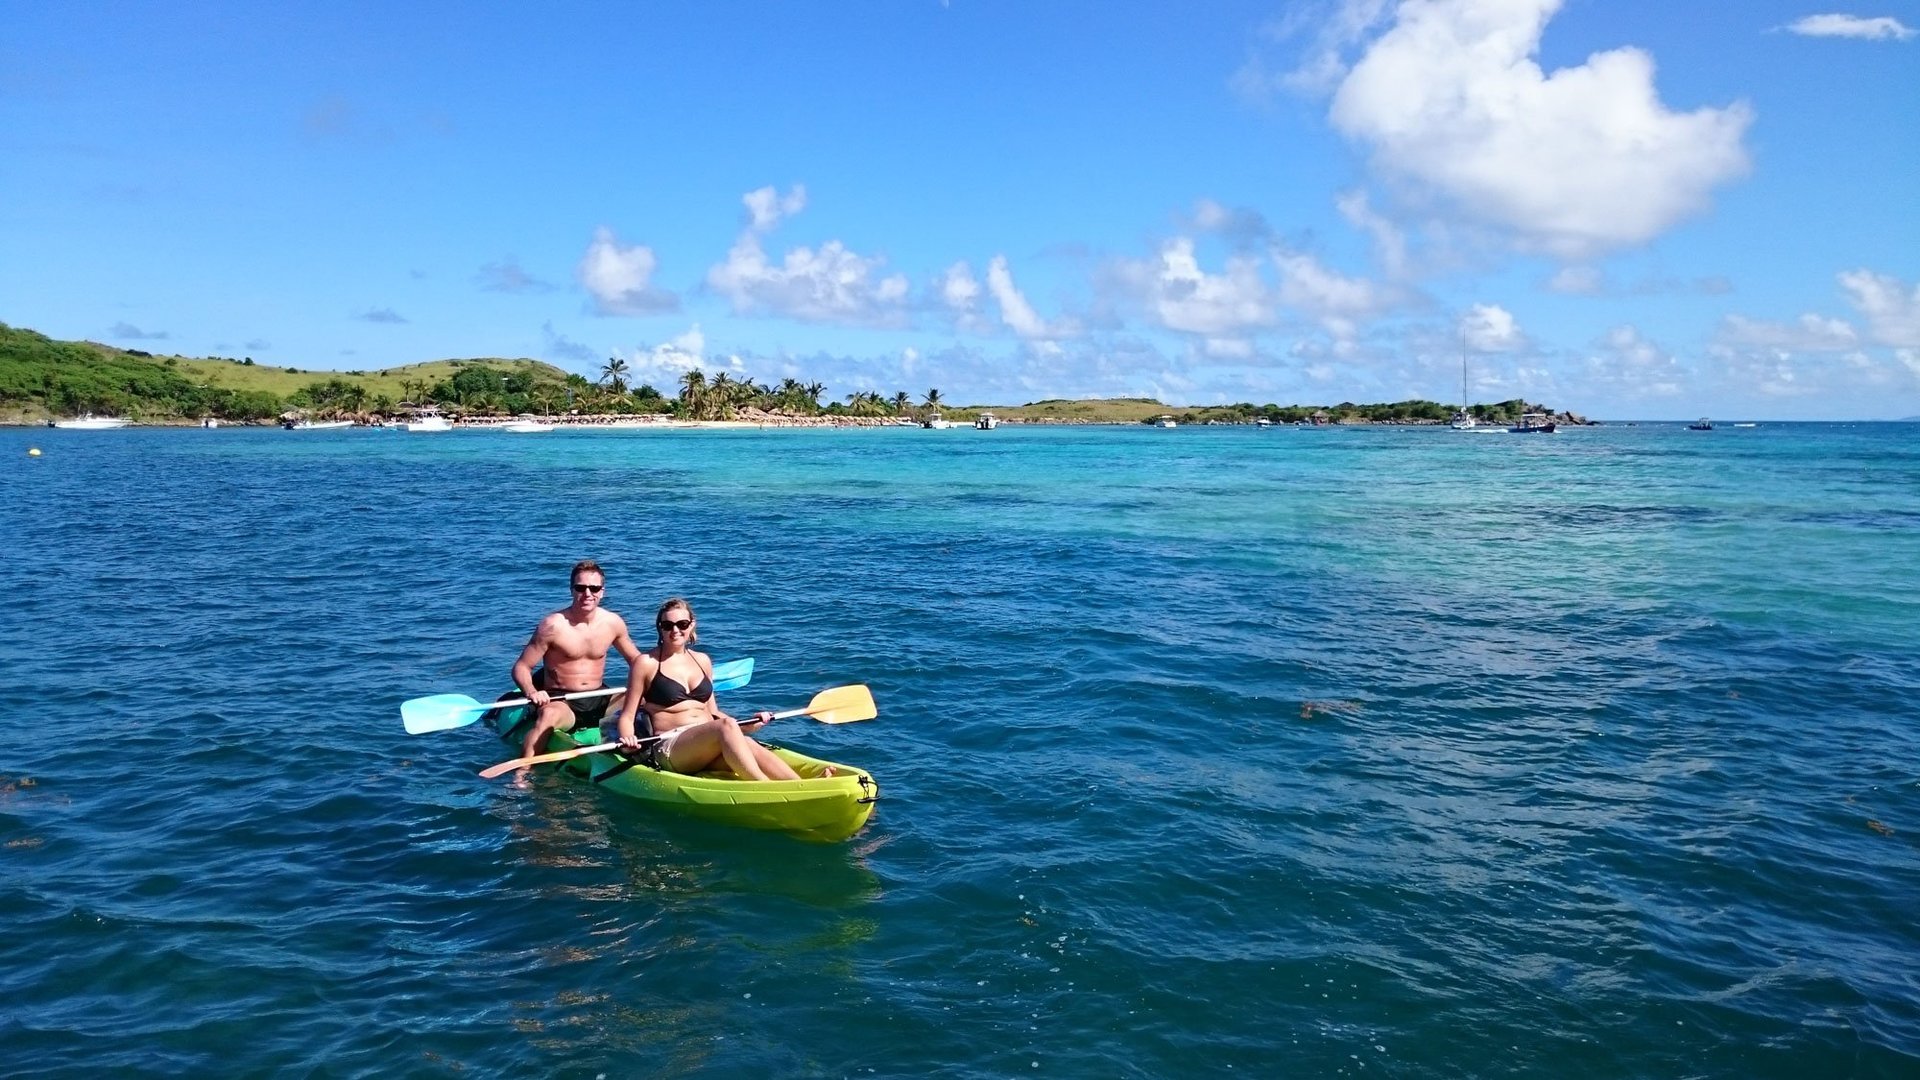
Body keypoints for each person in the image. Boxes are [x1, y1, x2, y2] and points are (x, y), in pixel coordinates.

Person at [611, 597, 813, 781]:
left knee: (749, 743)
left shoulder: (703, 661)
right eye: (667, 625)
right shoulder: (646, 663)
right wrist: (629, 740)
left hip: (705, 744)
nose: (675, 630)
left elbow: (712, 712)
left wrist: (749, 726)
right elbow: (627, 716)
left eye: (682, 624)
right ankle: (765, 787)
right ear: (660, 628)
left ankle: (801, 785)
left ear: (692, 626)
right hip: (670, 746)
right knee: (726, 726)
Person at [511, 560, 643, 765]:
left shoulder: (613, 623)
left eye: (594, 588)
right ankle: (523, 771)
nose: (587, 593)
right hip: (562, 701)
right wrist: (532, 692)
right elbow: (521, 667)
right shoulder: (553, 625)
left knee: (645, 701)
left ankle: (649, 752)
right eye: (580, 588)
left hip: (599, 696)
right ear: (571, 590)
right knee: (548, 716)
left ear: (602, 592)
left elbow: (637, 661)